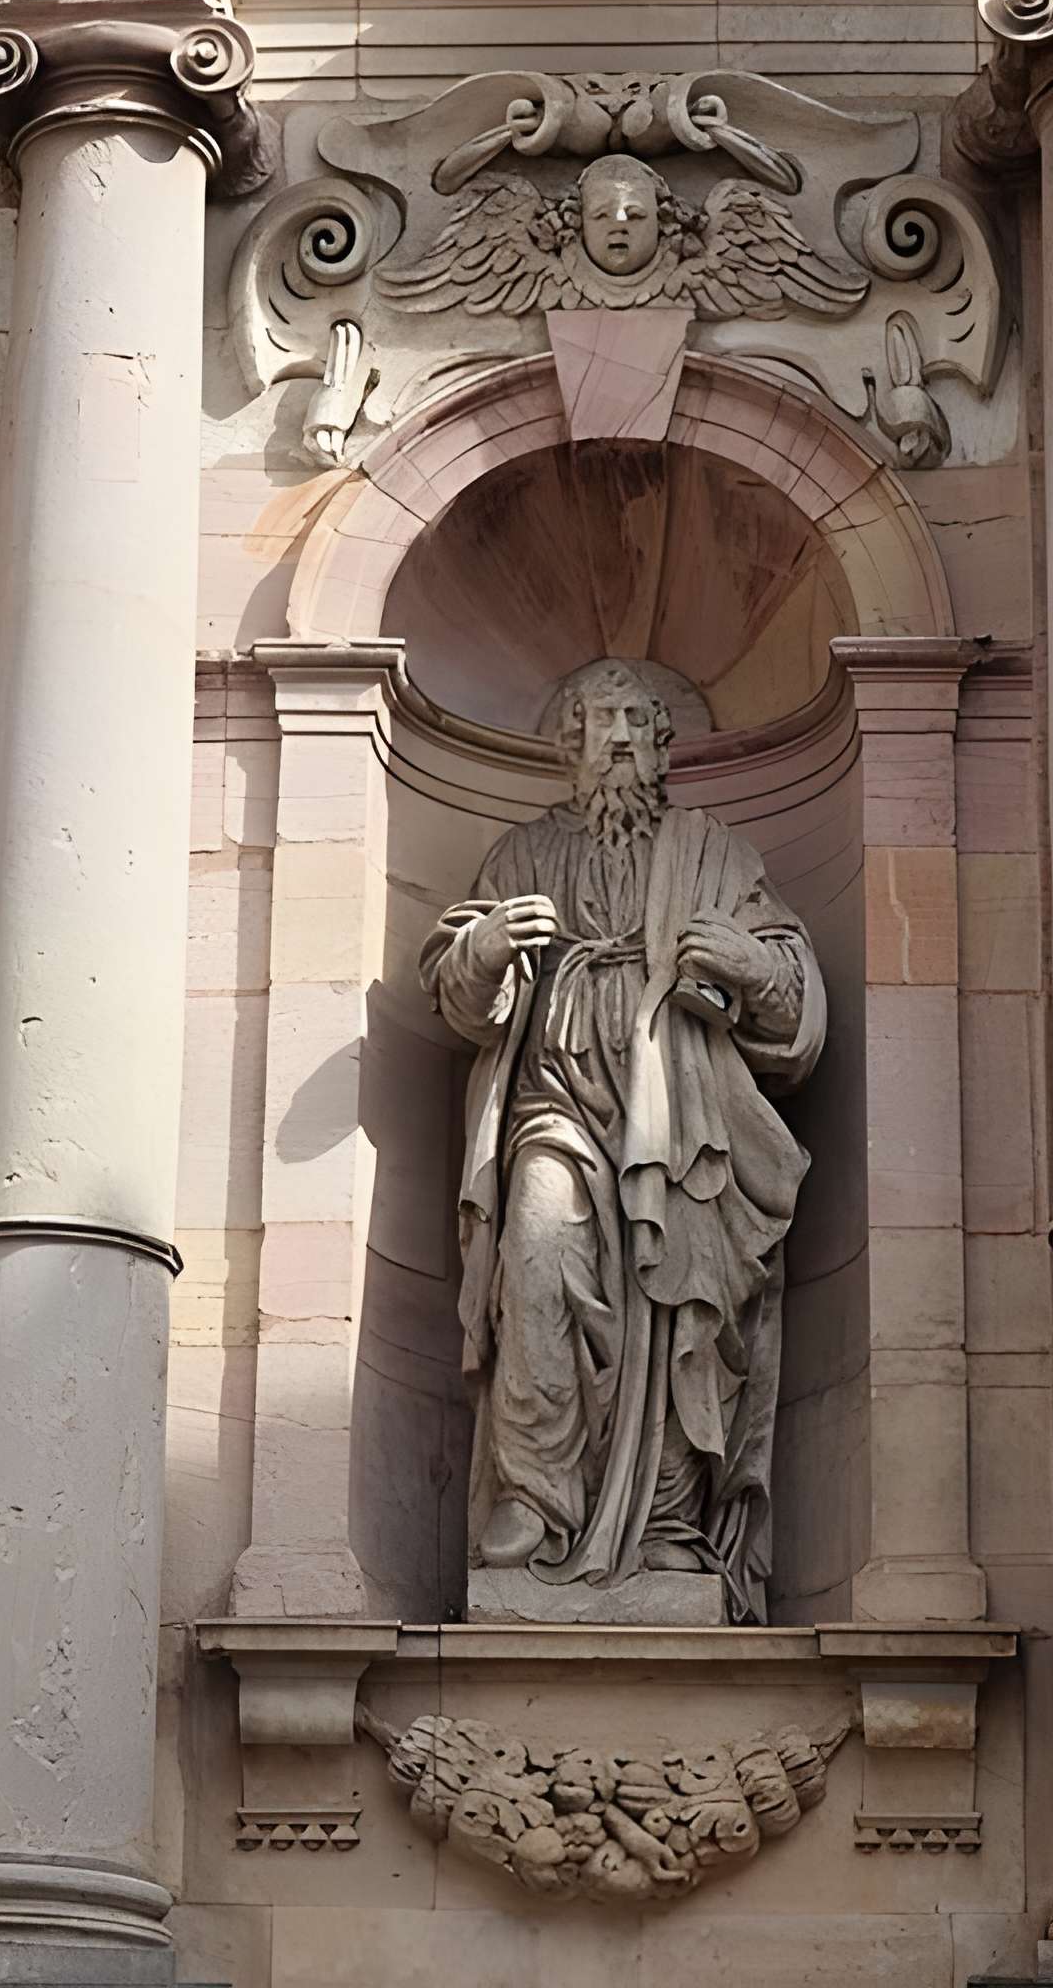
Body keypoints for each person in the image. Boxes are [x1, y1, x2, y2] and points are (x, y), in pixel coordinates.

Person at [419, 657, 825, 1620]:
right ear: (569, 744)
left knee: (683, 1297)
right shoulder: (522, 855)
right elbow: (456, 987)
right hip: (554, 1103)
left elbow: (796, 999)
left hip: (684, 1120)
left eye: (637, 724)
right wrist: (485, 949)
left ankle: (670, 1520)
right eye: (599, 723)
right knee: (538, 1249)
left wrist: (748, 965)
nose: (618, 741)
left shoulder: (715, 853)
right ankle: (537, 1493)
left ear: (663, 745)